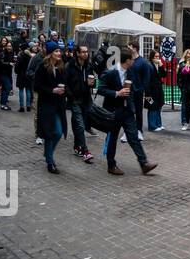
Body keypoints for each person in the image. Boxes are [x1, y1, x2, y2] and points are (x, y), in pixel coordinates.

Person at [98, 47, 157, 176]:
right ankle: (111, 165)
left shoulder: (130, 71)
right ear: (127, 61)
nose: (134, 61)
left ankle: (144, 163)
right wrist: (116, 93)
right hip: (113, 110)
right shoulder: (110, 72)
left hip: (127, 110)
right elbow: (100, 89)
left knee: (133, 136)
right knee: (113, 138)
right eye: (132, 59)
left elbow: (135, 86)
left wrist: (138, 94)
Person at [33, 42, 69, 174]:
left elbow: (65, 83)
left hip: (58, 105)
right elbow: (37, 86)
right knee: (49, 133)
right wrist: (52, 90)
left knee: (58, 132)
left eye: (60, 51)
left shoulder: (61, 67)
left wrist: (64, 89)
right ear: (50, 53)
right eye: (56, 51)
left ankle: (48, 154)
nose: (59, 54)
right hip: (46, 105)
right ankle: (50, 162)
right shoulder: (42, 67)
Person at [64, 43, 97, 164]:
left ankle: (77, 146)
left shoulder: (88, 66)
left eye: (87, 52)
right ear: (77, 53)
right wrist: (70, 96)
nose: (85, 54)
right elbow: (65, 82)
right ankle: (85, 151)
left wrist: (92, 83)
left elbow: (93, 81)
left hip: (86, 99)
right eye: (83, 52)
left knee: (78, 123)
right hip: (75, 100)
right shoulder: (70, 66)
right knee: (80, 125)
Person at [146, 51, 167, 132]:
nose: (157, 58)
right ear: (151, 57)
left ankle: (158, 124)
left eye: (158, 56)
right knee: (152, 107)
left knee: (158, 106)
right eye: (155, 57)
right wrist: (147, 94)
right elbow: (147, 80)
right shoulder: (149, 65)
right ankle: (152, 126)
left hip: (158, 90)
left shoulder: (158, 65)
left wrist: (161, 65)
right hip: (150, 91)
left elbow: (164, 75)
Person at [0, 39, 15, 109]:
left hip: (7, 74)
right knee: (8, 87)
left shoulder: (11, 53)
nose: (9, 47)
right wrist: (9, 64)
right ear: (6, 47)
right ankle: (4, 104)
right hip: (2, 73)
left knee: (4, 88)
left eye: (10, 46)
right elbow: (1, 62)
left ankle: (3, 103)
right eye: (8, 46)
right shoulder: (3, 53)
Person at [15, 41, 35, 112]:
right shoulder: (31, 56)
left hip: (21, 75)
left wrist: (16, 71)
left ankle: (22, 107)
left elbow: (17, 67)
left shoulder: (20, 56)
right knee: (28, 90)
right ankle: (28, 106)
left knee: (21, 90)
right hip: (28, 75)